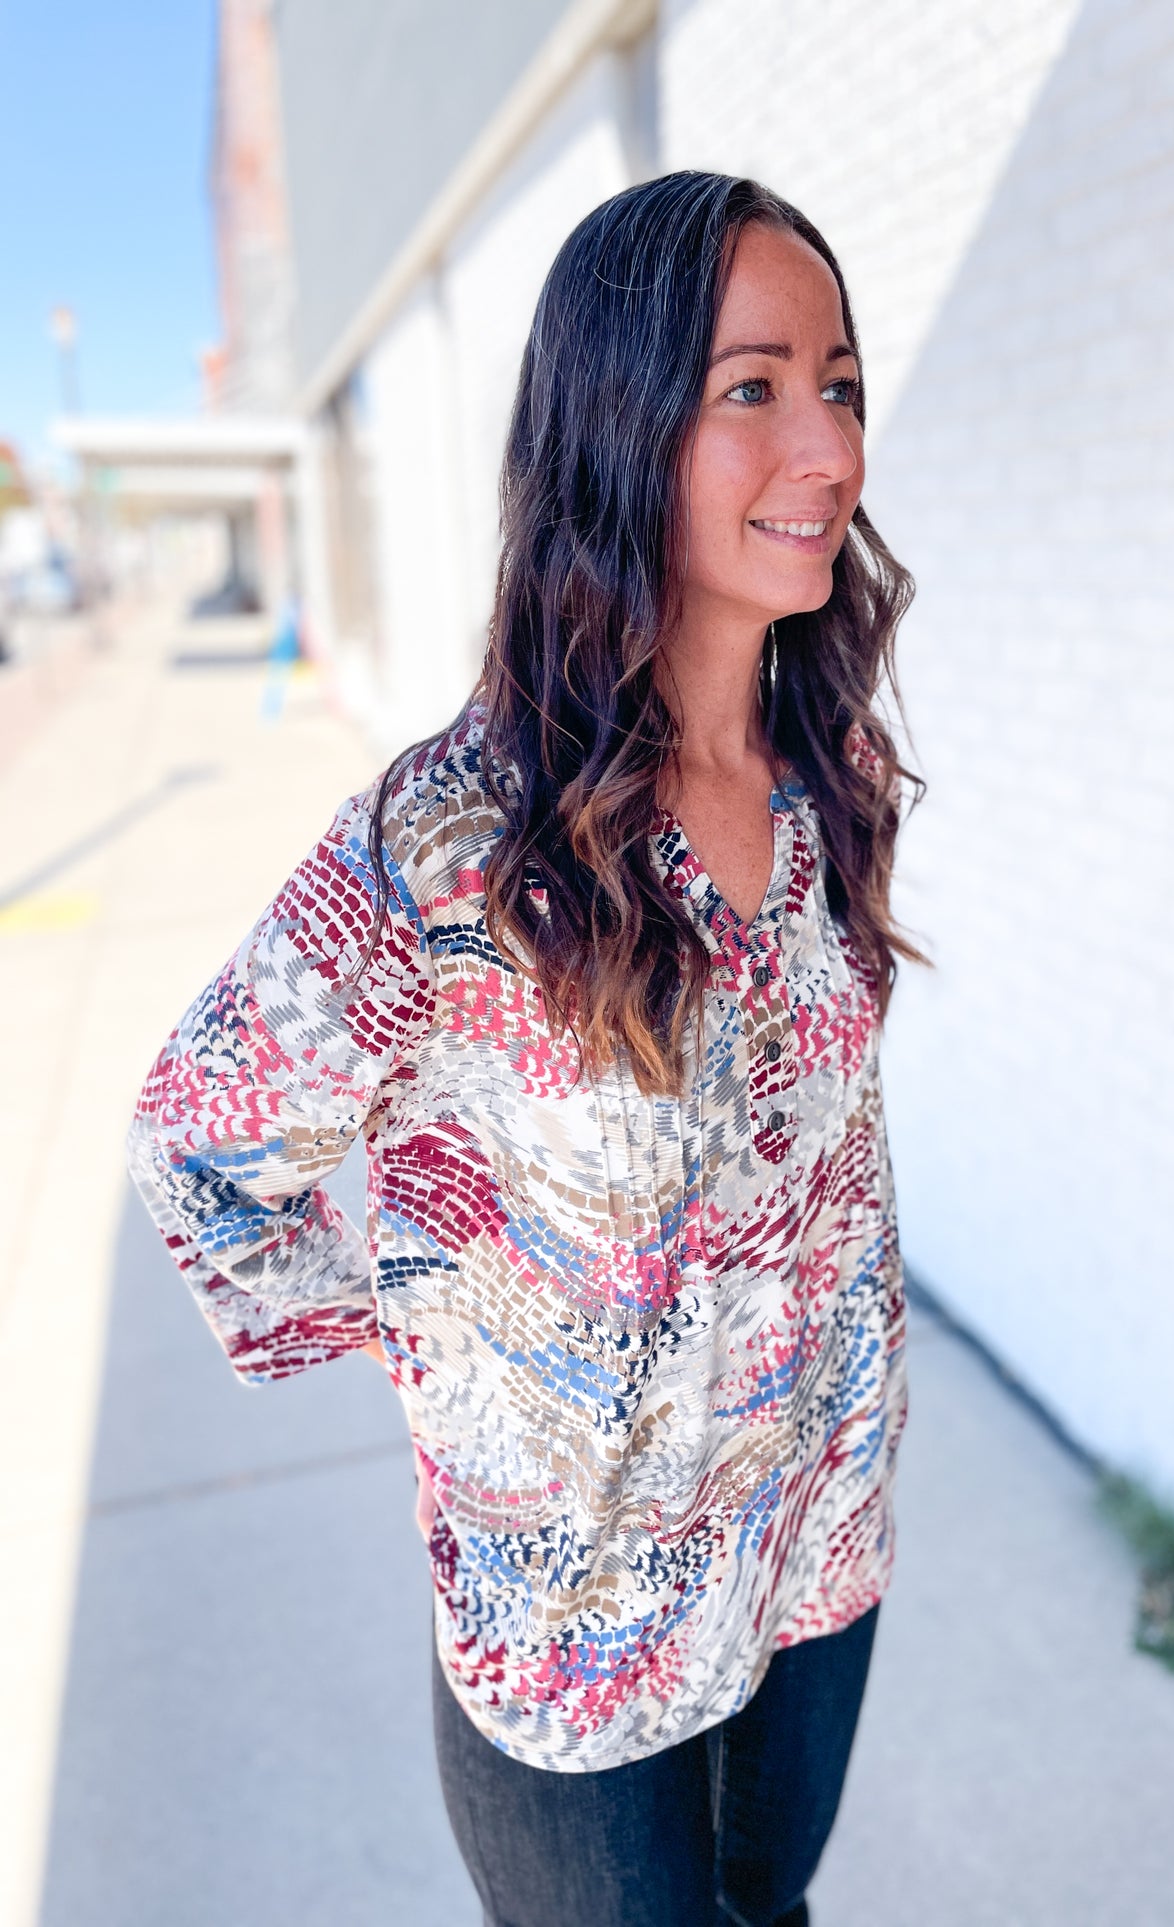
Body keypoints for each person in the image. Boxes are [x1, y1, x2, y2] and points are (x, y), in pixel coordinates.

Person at [127, 170, 927, 1927]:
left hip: (812, 1541)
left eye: (841, 385)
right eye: (753, 388)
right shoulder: (455, 843)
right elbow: (200, 1140)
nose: (828, 447)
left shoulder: (828, 784)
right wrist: (431, 1334)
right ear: (617, 420)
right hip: (576, 1634)